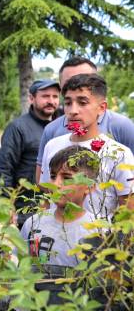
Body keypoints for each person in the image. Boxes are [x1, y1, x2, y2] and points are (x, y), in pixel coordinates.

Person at [40, 73, 134, 220]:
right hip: (57, 237)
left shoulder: (119, 153)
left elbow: (128, 214)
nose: (73, 111)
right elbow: (46, 198)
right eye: (68, 103)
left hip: (99, 240)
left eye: (82, 103)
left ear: (102, 108)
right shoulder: (52, 145)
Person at [36, 56, 134, 181]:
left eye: (86, 79)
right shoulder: (51, 131)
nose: (78, 83)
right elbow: (43, 182)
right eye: (70, 82)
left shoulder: (122, 126)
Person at [0, 79, 60, 227]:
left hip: (56, 208)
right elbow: (4, 168)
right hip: (25, 209)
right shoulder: (18, 128)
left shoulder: (62, 127)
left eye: (55, 96)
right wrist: (6, 205)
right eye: (45, 96)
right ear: (31, 98)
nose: (51, 101)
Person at [21, 145, 99, 267]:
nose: (56, 184)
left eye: (67, 178)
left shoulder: (99, 230)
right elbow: (26, 268)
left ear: (89, 187)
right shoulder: (34, 224)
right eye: (53, 176)